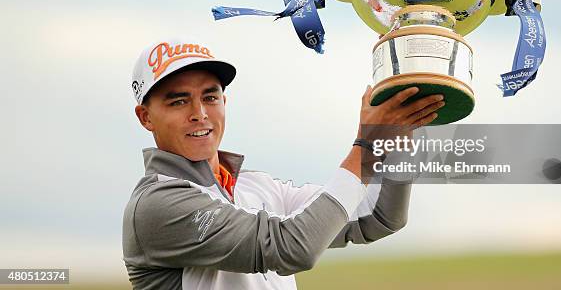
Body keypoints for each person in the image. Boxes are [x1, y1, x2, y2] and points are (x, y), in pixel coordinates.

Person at [122, 38, 445, 289]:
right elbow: (293, 248)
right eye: (178, 101)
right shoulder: (158, 204)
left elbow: (377, 216)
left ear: (224, 101)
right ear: (145, 117)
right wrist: (368, 147)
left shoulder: (255, 186)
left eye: (210, 97)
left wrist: (400, 127)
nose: (200, 113)